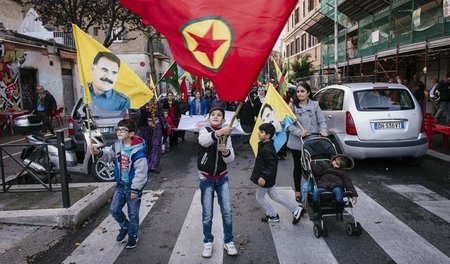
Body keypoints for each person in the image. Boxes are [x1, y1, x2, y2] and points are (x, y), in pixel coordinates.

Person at [90, 119, 148, 249]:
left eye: (123, 130)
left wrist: (135, 190)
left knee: (133, 214)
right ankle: (125, 227)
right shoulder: (117, 146)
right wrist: (98, 152)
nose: (119, 132)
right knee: (114, 209)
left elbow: (141, 173)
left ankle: (133, 235)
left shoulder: (139, 150)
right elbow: (108, 156)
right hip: (121, 185)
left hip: (133, 187)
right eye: (118, 129)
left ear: (131, 133)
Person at [197, 107, 238, 258]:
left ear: (223, 120)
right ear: (209, 118)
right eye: (213, 115)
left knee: (227, 212)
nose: (215, 117)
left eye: (219, 115)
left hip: (222, 178)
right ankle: (208, 242)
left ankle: (229, 241)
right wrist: (218, 133)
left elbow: (231, 159)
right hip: (206, 179)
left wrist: (225, 151)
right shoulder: (204, 129)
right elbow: (204, 141)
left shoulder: (227, 135)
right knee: (207, 214)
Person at [251, 123, 303, 224]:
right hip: (267, 177)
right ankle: (295, 209)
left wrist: (263, 177)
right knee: (275, 195)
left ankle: (273, 215)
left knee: (260, 197)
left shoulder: (268, 149)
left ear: (268, 135)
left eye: (261, 132)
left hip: (265, 178)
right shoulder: (263, 144)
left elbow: (272, 165)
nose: (258, 133)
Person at [287, 82, 328, 203]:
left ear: (308, 93)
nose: (300, 94)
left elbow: (322, 121)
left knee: (314, 167)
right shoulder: (292, 106)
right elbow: (288, 124)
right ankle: (298, 191)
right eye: (298, 91)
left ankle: (314, 189)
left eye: (302, 91)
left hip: (313, 141)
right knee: (298, 167)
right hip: (297, 142)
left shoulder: (315, 105)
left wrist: (323, 131)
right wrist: (299, 132)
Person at [311, 154, 358, 222]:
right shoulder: (326, 166)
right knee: (316, 192)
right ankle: (316, 212)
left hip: (336, 185)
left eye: (337, 164)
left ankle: (339, 212)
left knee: (339, 193)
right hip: (324, 185)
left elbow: (348, 183)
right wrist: (312, 163)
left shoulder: (343, 172)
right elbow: (316, 172)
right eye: (335, 160)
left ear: (341, 167)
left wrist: (353, 195)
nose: (334, 163)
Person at [136, 99, 166, 173]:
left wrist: (164, 125)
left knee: (156, 145)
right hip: (145, 127)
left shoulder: (157, 103)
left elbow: (161, 115)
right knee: (146, 145)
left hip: (156, 126)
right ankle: (146, 164)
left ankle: (154, 165)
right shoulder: (142, 104)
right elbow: (139, 116)